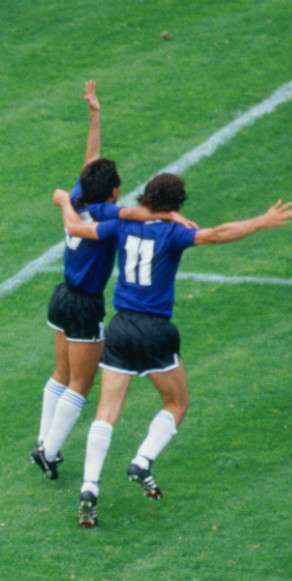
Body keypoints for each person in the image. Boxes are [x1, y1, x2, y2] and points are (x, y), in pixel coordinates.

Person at [53, 175, 292, 526]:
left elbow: (86, 222)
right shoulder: (173, 233)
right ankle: (142, 460)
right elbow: (216, 234)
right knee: (177, 402)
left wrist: (64, 200)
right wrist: (261, 221)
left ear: (146, 196)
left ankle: (89, 486)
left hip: (121, 327)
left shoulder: (120, 223)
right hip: (155, 330)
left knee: (106, 411)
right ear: (176, 205)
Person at [33, 81, 195, 482]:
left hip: (61, 296)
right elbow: (138, 214)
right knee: (80, 383)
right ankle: (48, 450)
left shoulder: (78, 196)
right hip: (85, 305)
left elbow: (90, 163)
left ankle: (43, 442)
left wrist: (95, 115)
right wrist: (171, 215)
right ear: (115, 191)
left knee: (59, 373)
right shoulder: (109, 215)